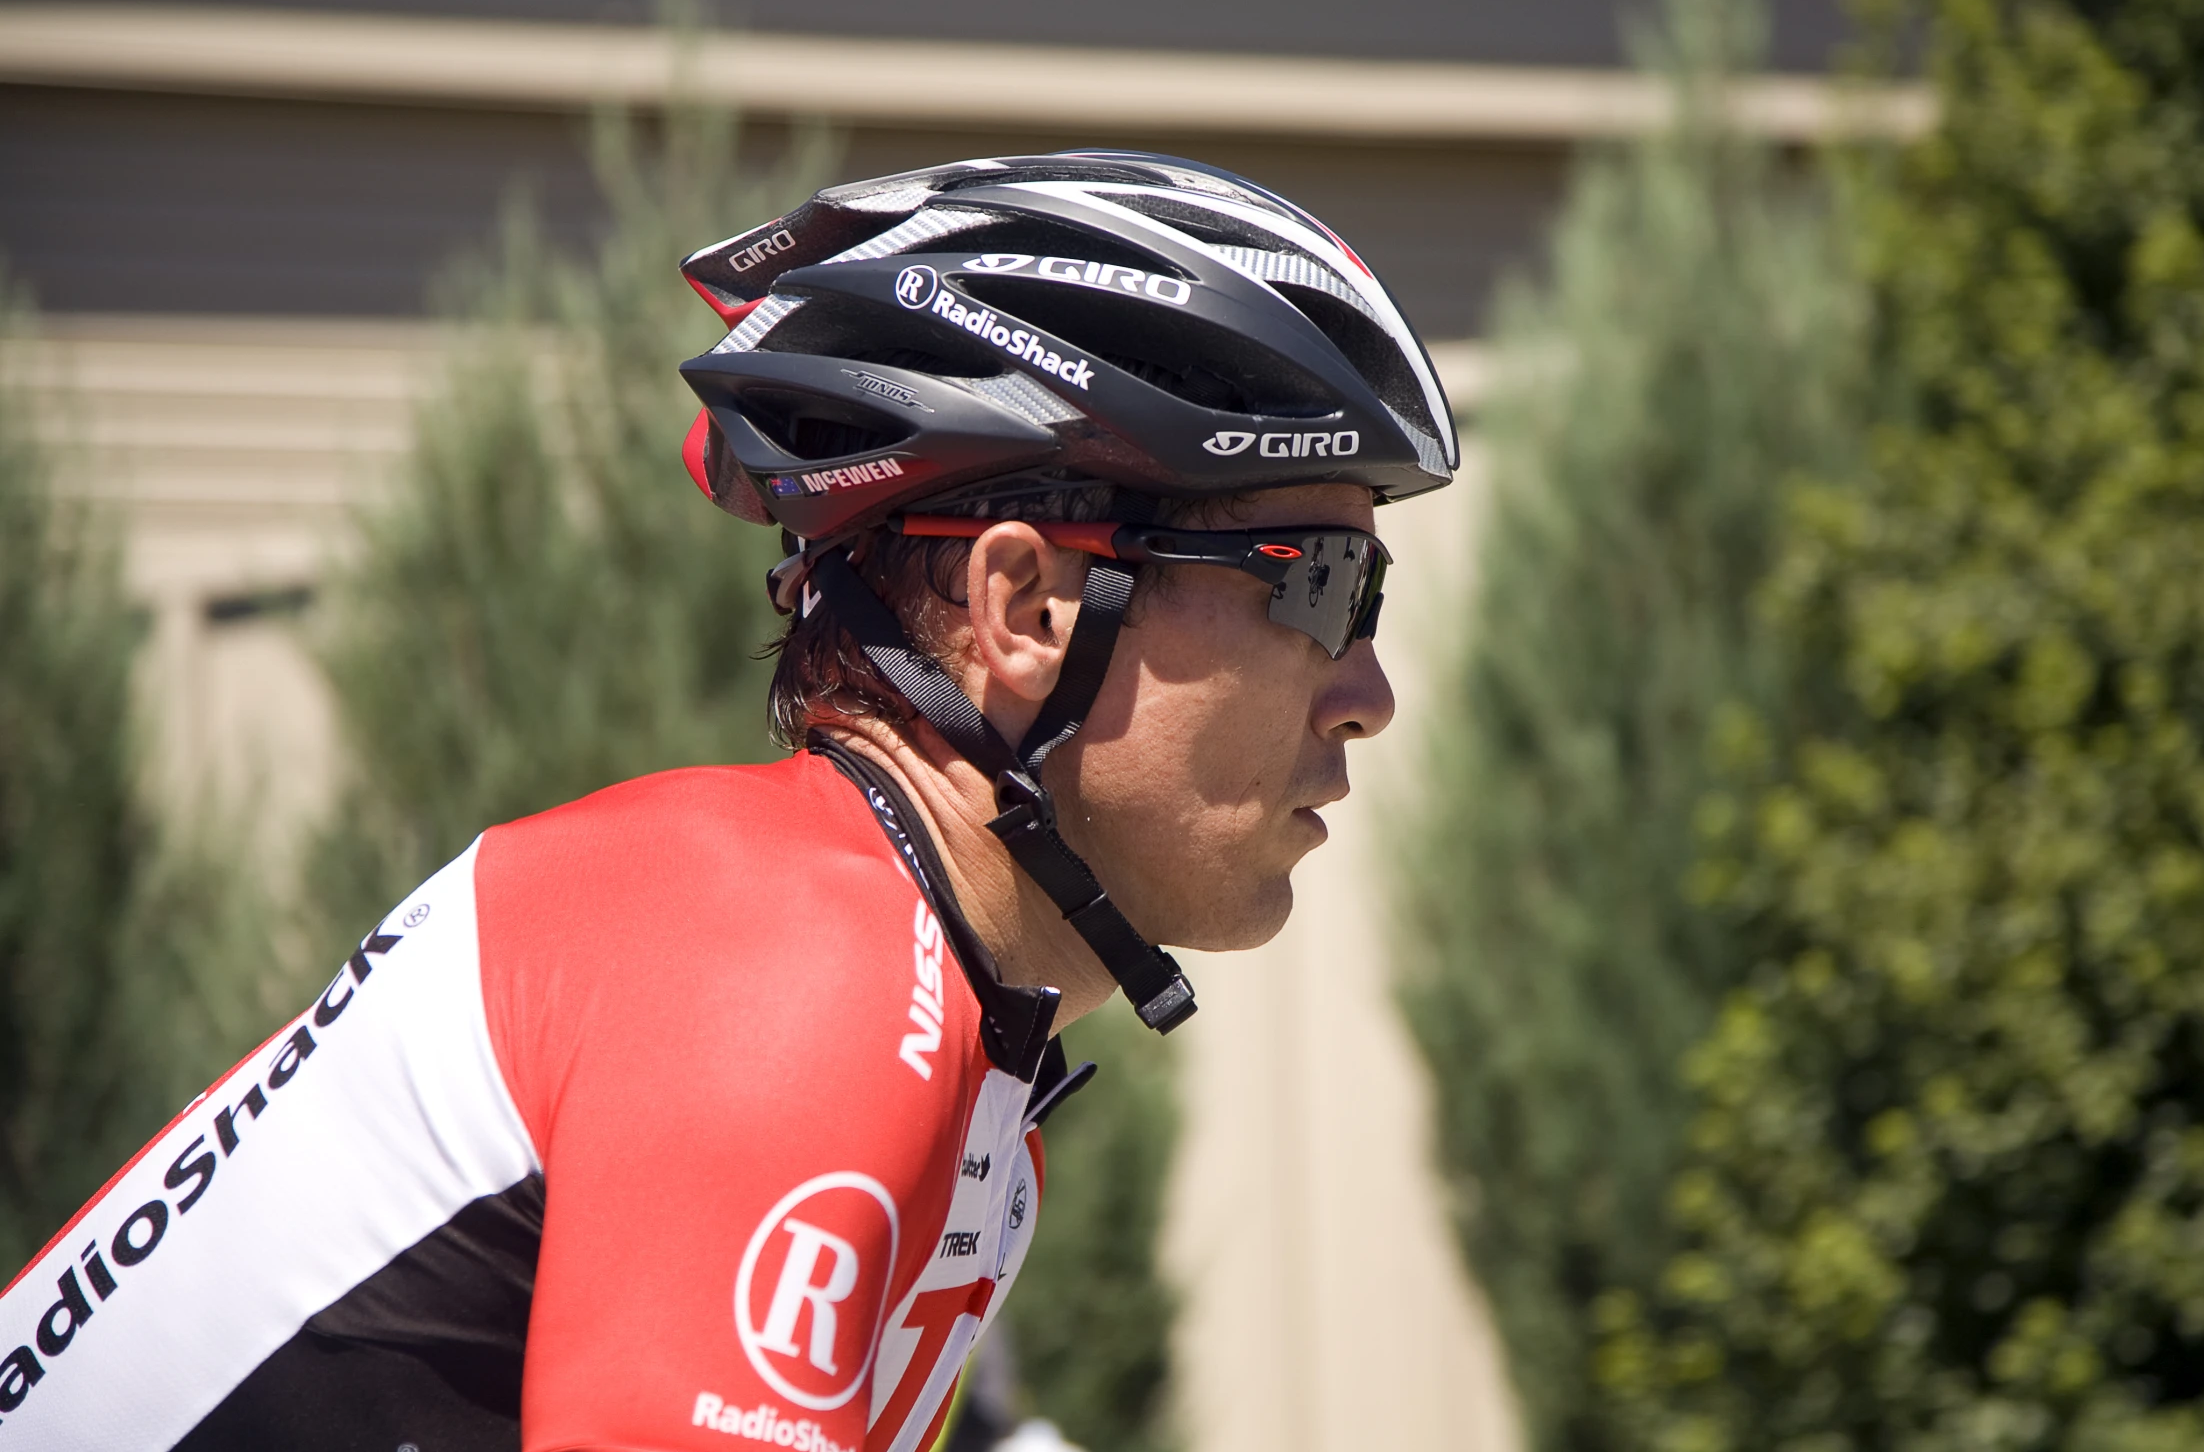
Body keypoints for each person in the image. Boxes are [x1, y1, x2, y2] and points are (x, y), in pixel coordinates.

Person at [0, 150, 1458, 1451]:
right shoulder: (788, 966)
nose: (1367, 691)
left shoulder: (936, 1048)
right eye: (1320, 586)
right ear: (1025, 605)